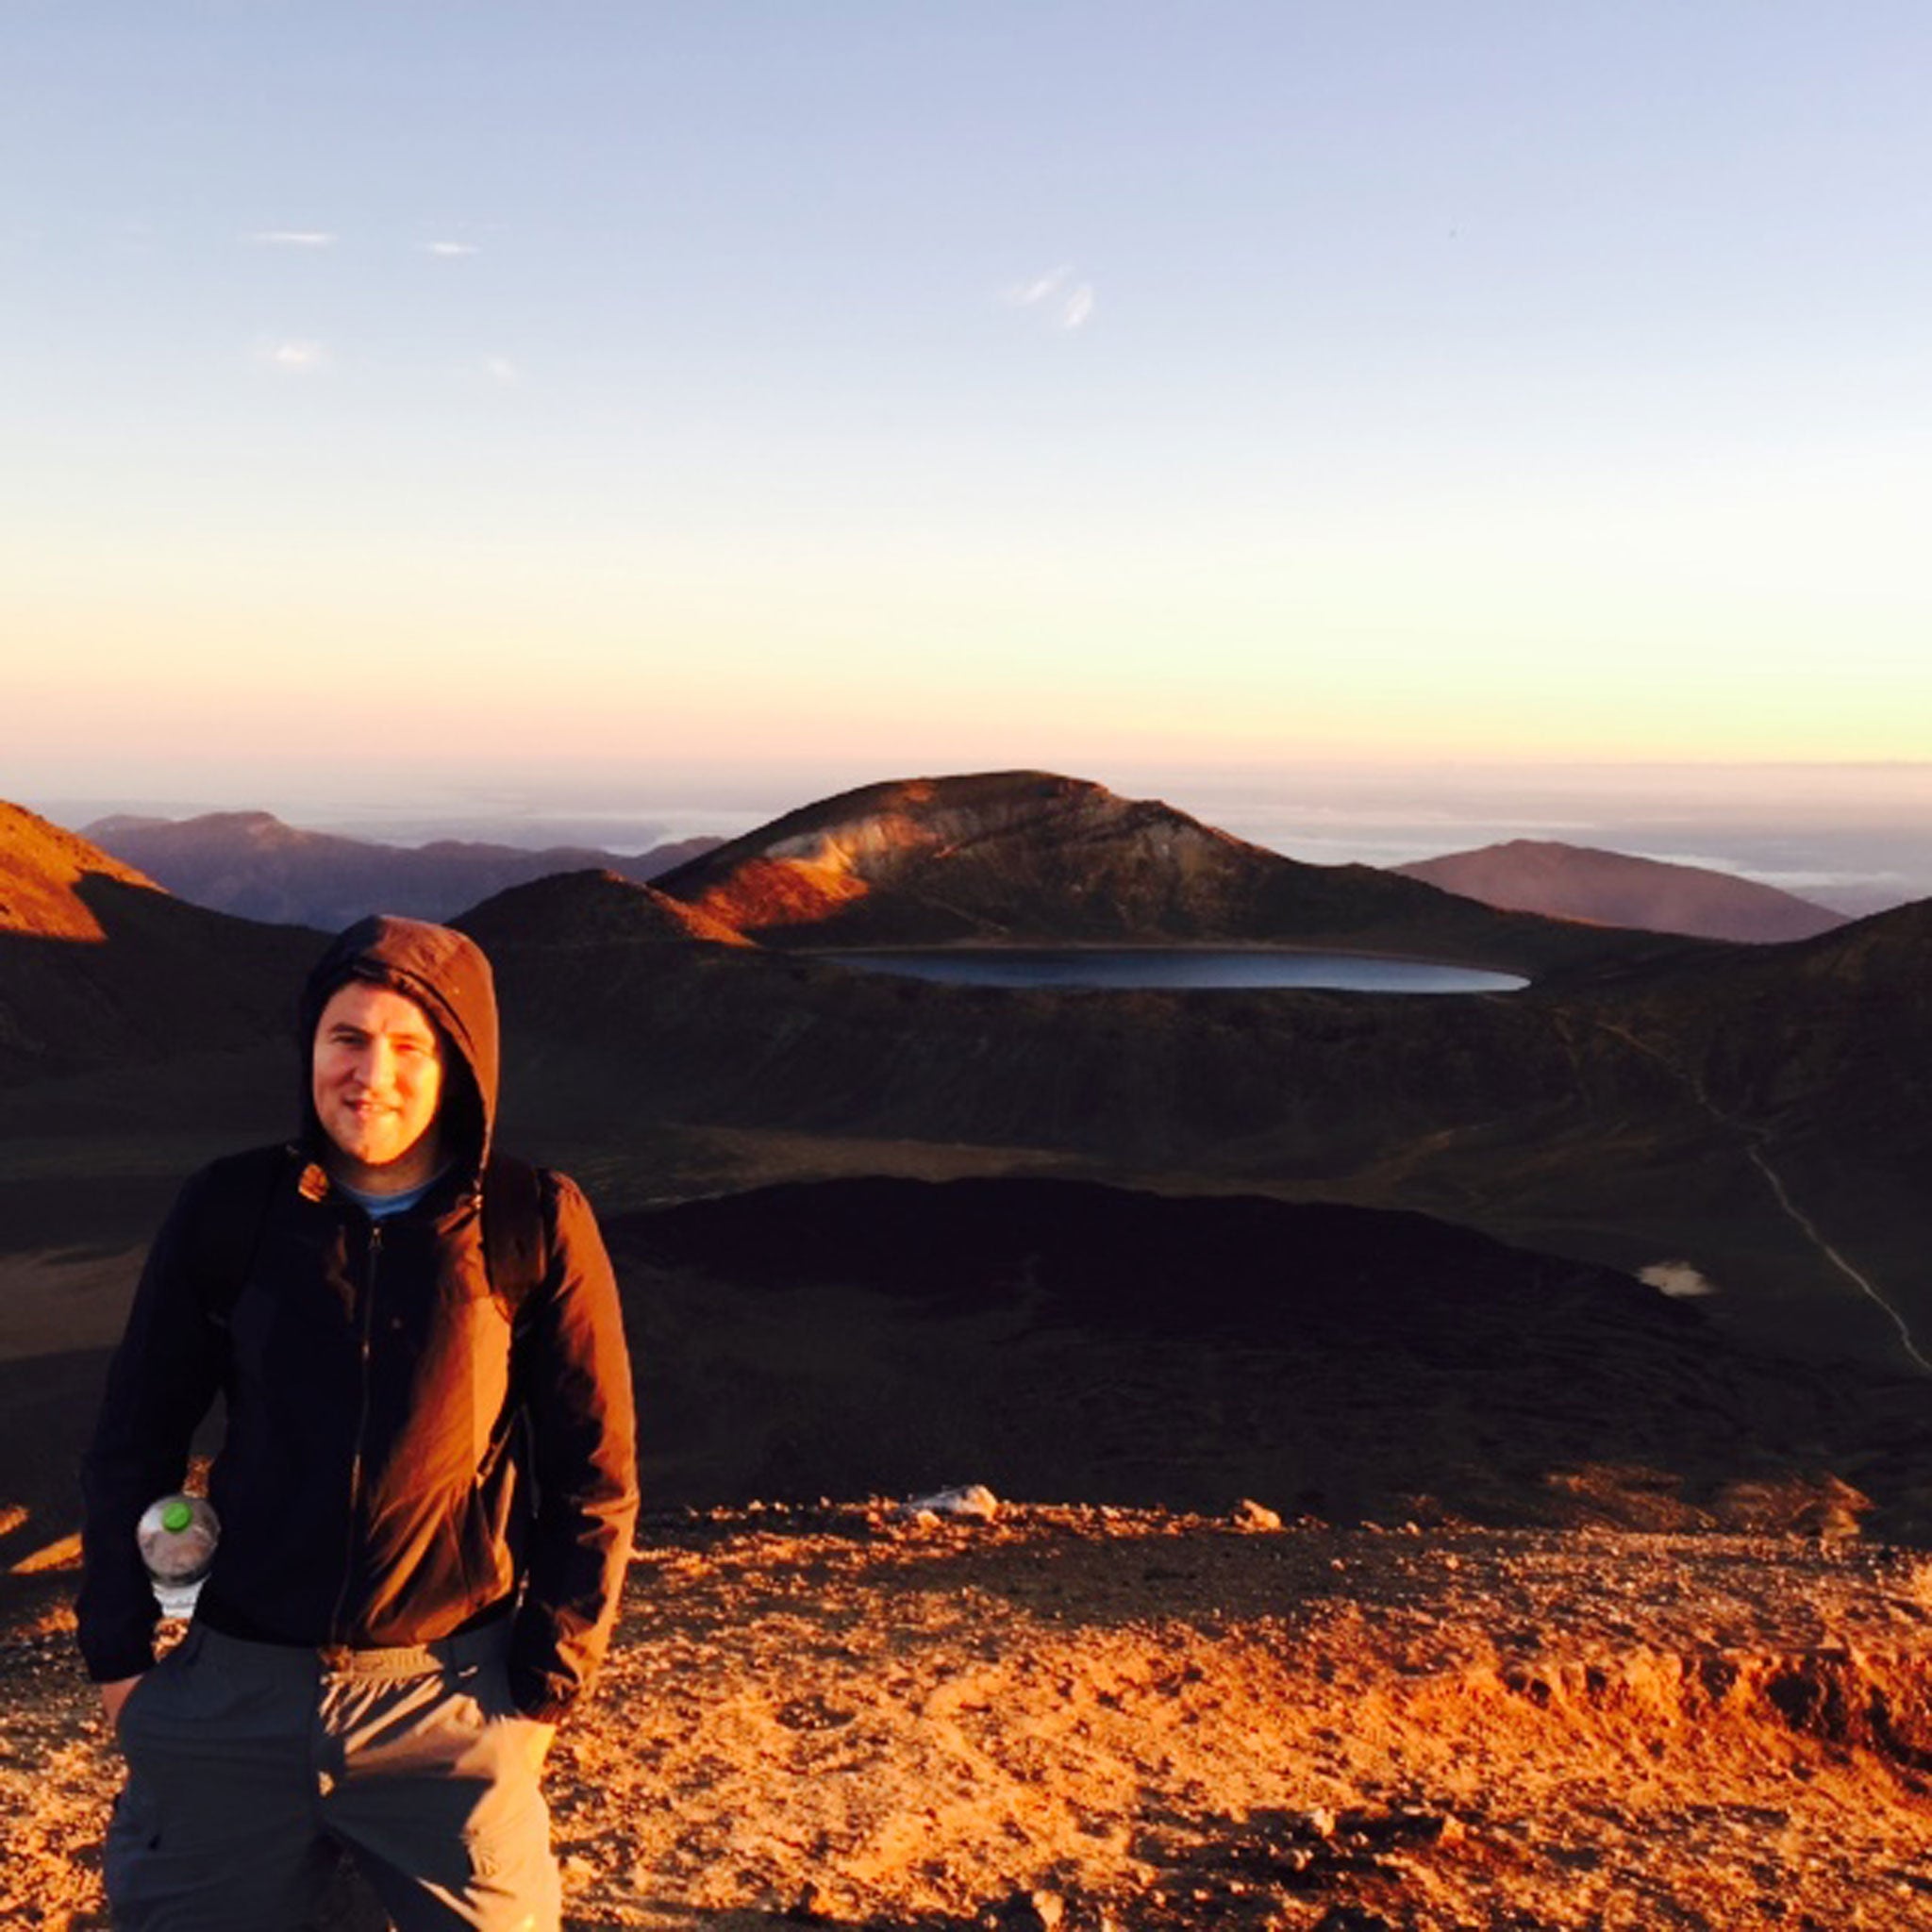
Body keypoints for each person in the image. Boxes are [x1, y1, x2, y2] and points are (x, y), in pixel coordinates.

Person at [77, 914, 640, 1932]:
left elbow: (593, 1476)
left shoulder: (530, 1219)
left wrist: (542, 1693)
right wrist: (125, 1668)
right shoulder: (231, 1207)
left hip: (448, 1703)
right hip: (231, 1699)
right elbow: (135, 1439)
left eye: (410, 1044)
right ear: (310, 1050)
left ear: (459, 1063)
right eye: (346, 1038)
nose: (370, 1072)